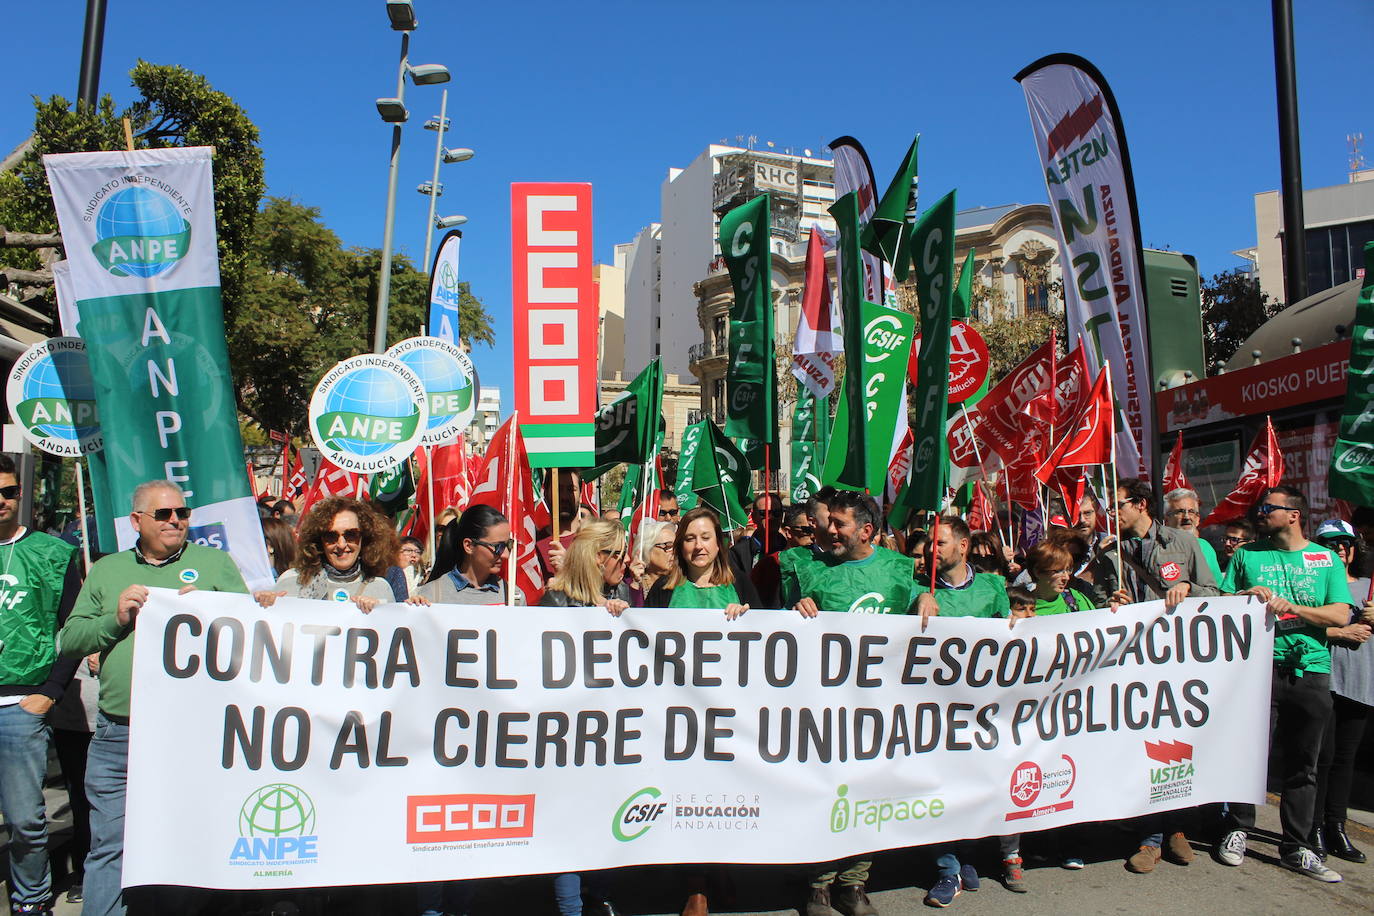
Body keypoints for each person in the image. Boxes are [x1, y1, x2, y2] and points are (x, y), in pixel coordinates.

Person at [59, 480, 248, 916]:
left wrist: (212, 613)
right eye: (163, 514)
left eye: (182, 513)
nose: (176, 521)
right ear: (137, 521)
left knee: (185, 840)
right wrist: (116, 617)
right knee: (110, 843)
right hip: (119, 733)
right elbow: (69, 639)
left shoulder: (215, 563)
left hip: (192, 732)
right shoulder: (107, 570)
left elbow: (249, 636)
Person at [1216, 485, 1352, 882]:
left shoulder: (1325, 559)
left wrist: (1294, 608)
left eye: (1268, 508)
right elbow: (1222, 608)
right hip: (1257, 670)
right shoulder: (1246, 554)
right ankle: (1238, 827)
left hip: (1311, 670)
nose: (1261, 513)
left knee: (1303, 764)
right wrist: (1244, 594)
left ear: (1293, 514)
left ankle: (1298, 846)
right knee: (1248, 755)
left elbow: (1340, 615)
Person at [793, 489, 915, 916]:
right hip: (828, 710)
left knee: (871, 794)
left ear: (866, 531)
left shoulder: (901, 570)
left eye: (838, 524)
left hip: (881, 710)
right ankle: (819, 886)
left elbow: (919, 611)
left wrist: (925, 599)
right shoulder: (812, 571)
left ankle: (855, 883)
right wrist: (797, 609)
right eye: (829, 522)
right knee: (827, 793)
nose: (828, 530)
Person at [1105, 479, 1220, 874]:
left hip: (1179, 662)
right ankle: (1149, 836)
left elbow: (1215, 595)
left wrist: (1188, 586)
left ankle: (1178, 828)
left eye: (1117, 505)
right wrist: (1111, 603)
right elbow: (1092, 605)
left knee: (1178, 747)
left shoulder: (1184, 543)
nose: (1112, 513)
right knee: (1144, 749)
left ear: (1139, 504)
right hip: (1133, 665)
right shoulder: (1111, 551)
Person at [912, 517, 1020, 905]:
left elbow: (1009, 636)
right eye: (928, 544)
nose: (931, 549)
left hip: (981, 710)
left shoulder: (992, 585)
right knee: (940, 788)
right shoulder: (917, 588)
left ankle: (965, 857)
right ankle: (948, 870)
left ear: (963, 546)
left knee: (973, 786)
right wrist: (917, 604)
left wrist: (1020, 624)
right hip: (935, 712)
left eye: (939, 543)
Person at [0, 456, 82, 915]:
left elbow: (73, 630)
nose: (1, 501)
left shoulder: (51, 554)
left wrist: (50, 690)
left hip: (19, 704)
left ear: (21, 495)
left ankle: (30, 900)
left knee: (26, 820)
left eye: (9, 492)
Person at [1311, 519, 1374, 864]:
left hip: (1361, 683)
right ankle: (1314, 826)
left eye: (1343, 543)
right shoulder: (1314, 582)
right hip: (1325, 679)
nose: (1337, 549)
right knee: (1323, 757)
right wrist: (1340, 633)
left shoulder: (1368, 585)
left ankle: (1337, 826)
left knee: (1345, 761)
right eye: (1329, 542)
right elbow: (1300, 622)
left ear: (1353, 549)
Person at [257, 497, 402, 612]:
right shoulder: (292, 581)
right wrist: (264, 605)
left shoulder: (380, 588)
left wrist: (380, 613)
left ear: (365, 538)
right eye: (331, 536)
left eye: (351, 535)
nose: (341, 544)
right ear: (318, 540)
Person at [647, 507, 757, 617]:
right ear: (681, 545)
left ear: (718, 543)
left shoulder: (740, 582)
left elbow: (761, 626)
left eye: (705, 538)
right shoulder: (663, 587)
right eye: (690, 539)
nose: (698, 546)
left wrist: (745, 616)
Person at [417, 504, 524, 605]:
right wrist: (412, 609)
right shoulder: (432, 596)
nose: (505, 555)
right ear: (469, 546)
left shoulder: (513, 596)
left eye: (508, 545)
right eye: (497, 547)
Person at [540, 520, 631, 612]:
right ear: (598, 556)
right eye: (621, 553)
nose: (627, 559)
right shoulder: (556, 601)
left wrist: (625, 614)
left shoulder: (622, 593)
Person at [730, 491, 784, 608]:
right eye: (763, 513)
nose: (770, 518)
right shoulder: (737, 553)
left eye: (776, 513)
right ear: (754, 517)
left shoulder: (790, 549)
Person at [1162, 487, 1223, 582]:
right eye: (1180, 512)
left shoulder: (1204, 546)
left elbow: (1216, 586)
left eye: (1191, 512)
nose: (1186, 517)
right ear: (1166, 521)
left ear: (1198, 519)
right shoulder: (1159, 547)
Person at [1022, 541, 1093, 616]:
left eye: (1068, 570)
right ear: (1038, 572)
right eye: (1058, 571)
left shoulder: (1076, 599)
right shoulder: (1021, 609)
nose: (1066, 577)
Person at [627, 517, 676, 601]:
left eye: (677, 547)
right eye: (668, 546)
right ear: (647, 550)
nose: (674, 552)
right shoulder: (628, 585)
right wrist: (636, 584)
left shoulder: (683, 584)